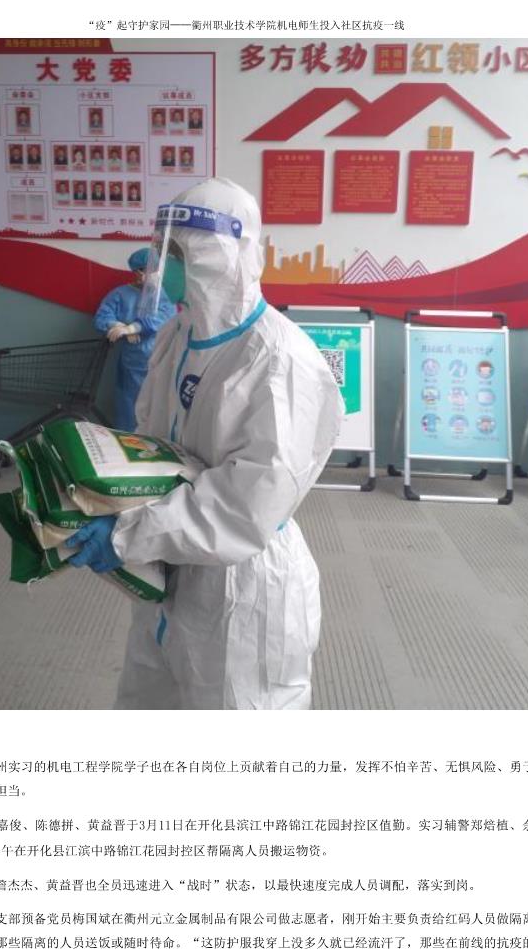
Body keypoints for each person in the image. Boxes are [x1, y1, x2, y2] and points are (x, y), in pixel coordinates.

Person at [69, 178, 344, 709]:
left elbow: (246, 508)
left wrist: (127, 535)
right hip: (168, 568)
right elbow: (152, 444)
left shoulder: (281, 362)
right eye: (161, 249)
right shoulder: (178, 336)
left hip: (242, 588)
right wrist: (105, 497)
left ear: (223, 254)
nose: (162, 265)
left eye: (176, 253)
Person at [92, 247, 177, 431]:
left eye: (153, 270)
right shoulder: (120, 294)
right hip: (132, 362)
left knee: (155, 406)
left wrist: (135, 327)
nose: (148, 274)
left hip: (160, 357)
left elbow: (166, 317)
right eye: (143, 270)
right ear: (135, 271)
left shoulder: (163, 294)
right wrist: (117, 326)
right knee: (128, 406)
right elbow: (101, 317)